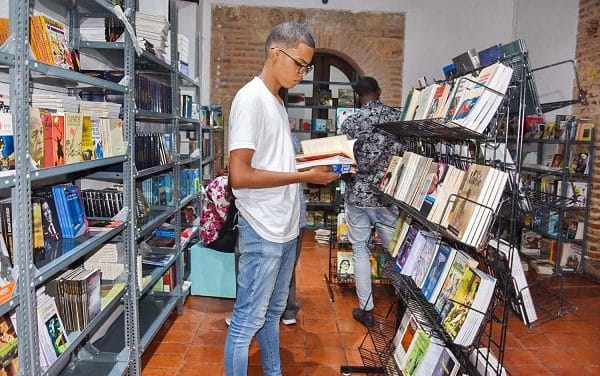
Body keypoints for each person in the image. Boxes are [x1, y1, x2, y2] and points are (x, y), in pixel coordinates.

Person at [224, 21, 339, 376]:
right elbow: (239, 176)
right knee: (246, 323)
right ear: (276, 53)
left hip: (286, 227)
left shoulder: (275, 100)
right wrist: (303, 176)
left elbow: (270, 159)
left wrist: (309, 162)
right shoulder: (250, 100)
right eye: (299, 64)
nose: (303, 73)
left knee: (273, 314)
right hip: (263, 229)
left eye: (307, 66)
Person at [339, 76, 404, 328]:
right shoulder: (396, 118)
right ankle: (404, 306)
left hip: (357, 197)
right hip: (387, 196)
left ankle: (366, 309)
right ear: (378, 91)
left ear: (357, 96)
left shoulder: (351, 122)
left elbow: (343, 164)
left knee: (360, 252)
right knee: (396, 253)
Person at [199, 175, 238, 252]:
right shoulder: (219, 190)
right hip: (213, 237)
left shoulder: (228, 183)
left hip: (222, 230)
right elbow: (227, 222)